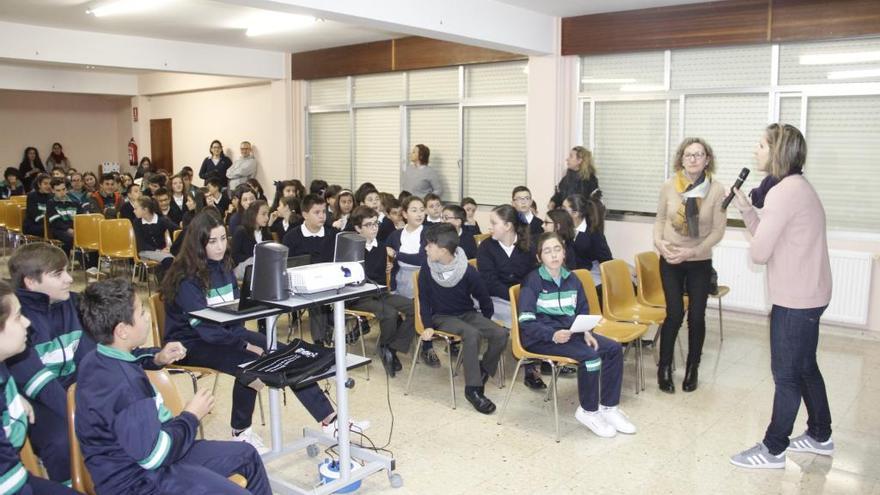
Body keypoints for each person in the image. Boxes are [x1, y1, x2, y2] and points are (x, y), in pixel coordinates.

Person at [163, 210, 365, 453]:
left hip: (226, 334)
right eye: (212, 241)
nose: (219, 247)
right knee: (252, 363)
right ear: (198, 242)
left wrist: (241, 338)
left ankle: (330, 420)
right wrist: (245, 345)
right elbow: (206, 329)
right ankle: (240, 432)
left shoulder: (224, 266)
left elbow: (235, 312)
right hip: (190, 344)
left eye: (223, 239)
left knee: (286, 356)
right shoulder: (186, 278)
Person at [75, 278, 271, 494]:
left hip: (152, 453)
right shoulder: (128, 387)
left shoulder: (97, 357)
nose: (148, 315)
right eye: (141, 312)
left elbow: (133, 358)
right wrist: (191, 415)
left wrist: (158, 357)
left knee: (247, 455)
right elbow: (155, 456)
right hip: (140, 481)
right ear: (122, 331)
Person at [729, 124, 834, 469]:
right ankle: (820, 434)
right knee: (805, 368)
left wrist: (755, 217)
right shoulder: (797, 187)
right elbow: (769, 238)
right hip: (809, 293)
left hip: (796, 298)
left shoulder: (784, 193)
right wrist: (747, 210)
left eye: (761, 145)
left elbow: (760, 253)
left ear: (778, 152)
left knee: (787, 374)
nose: (755, 150)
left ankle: (773, 449)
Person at [518, 232, 635, 438]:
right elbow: (526, 321)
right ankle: (588, 411)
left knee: (613, 349)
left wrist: (587, 331)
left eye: (557, 250)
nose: (553, 255)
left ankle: (609, 407)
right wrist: (552, 334)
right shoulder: (533, 281)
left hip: (571, 333)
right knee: (590, 358)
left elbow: (582, 310)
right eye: (547, 251)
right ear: (539, 258)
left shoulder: (572, 279)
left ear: (564, 253)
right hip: (540, 339)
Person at [653, 138, 726, 394]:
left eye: (699, 154)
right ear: (681, 159)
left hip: (699, 260)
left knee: (696, 316)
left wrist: (693, 251)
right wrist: (659, 243)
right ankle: (664, 367)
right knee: (674, 313)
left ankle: (693, 367)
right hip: (671, 258)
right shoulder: (669, 186)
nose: (693, 159)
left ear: (707, 159)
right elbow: (660, 218)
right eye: (688, 155)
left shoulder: (716, 190)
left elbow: (718, 230)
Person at [418, 223, 507, 414]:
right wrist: (427, 325)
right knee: (471, 334)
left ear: (442, 251)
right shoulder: (427, 269)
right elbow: (423, 300)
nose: (425, 248)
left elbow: (484, 298)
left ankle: (482, 370)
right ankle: (473, 390)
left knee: (500, 333)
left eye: (429, 245)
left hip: (467, 313)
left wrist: (486, 320)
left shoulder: (466, 270)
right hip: (441, 316)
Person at [0, 280, 78, 495]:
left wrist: (12, 396)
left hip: (17, 478)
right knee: (60, 438)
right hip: (13, 485)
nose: (27, 322)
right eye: (17, 317)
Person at [477, 204, 547, 390]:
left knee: (543, 312)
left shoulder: (528, 245)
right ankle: (531, 368)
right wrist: (516, 297)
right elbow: (489, 282)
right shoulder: (486, 247)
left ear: (508, 226)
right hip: (494, 300)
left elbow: (534, 276)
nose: (490, 227)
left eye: (494, 223)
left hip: (522, 297)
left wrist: (525, 297)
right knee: (526, 318)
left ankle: (543, 356)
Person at [348, 206, 414, 377]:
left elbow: (389, 270)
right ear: (357, 228)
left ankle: (391, 347)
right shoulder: (351, 249)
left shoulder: (382, 246)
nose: (374, 228)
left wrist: (390, 266)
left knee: (415, 307)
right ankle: (387, 348)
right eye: (369, 225)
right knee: (390, 313)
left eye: (375, 223)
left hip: (380, 292)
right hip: (359, 296)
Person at [282, 194, 338, 343]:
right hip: (302, 285)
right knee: (316, 299)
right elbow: (286, 266)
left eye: (324, 212)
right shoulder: (291, 237)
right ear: (305, 215)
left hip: (330, 282)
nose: (322, 216)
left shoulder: (333, 235)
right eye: (317, 212)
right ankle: (320, 341)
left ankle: (333, 330)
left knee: (339, 296)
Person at [563, 193, 613, 291]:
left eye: (564, 209)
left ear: (575, 213)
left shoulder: (593, 233)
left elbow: (606, 259)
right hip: (569, 273)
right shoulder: (564, 228)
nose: (560, 211)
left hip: (588, 273)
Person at [548, 146, 599, 210]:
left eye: (571, 156)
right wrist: (553, 202)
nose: (567, 159)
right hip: (565, 217)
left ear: (579, 160)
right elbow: (559, 195)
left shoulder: (590, 180)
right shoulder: (566, 177)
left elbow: (593, 205)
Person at [230, 200, 271, 278]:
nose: (267, 218)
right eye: (263, 214)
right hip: (244, 268)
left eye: (267, 214)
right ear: (254, 215)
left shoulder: (266, 233)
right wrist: (255, 258)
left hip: (262, 268)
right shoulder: (241, 231)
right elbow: (234, 256)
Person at [132, 196, 176, 264]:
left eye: (135, 209)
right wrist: (158, 251)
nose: (133, 211)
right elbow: (141, 243)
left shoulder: (161, 220)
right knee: (168, 259)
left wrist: (172, 247)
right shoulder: (137, 223)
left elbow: (177, 230)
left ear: (145, 210)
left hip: (162, 252)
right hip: (145, 251)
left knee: (177, 258)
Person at [46, 178, 81, 253]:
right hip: (59, 230)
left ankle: (90, 264)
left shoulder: (75, 203)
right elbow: (55, 221)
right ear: (53, 191)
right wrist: (68, 229)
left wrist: (77, 229)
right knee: (69, 239)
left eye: (63, 189)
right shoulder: (51, 203)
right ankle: (67, 261)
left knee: (91, 236)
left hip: (75, 229)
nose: (62, 192)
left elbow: (81, 218)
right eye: (58, 190)